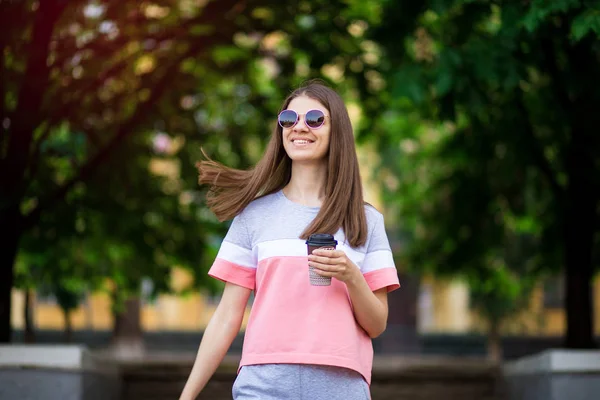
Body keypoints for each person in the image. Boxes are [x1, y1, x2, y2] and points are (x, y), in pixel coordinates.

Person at [179, 80, 400, 400]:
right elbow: (227, 316)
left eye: (314, 119)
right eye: (288, 119)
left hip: (340, 388)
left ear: (337, 131)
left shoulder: (366, 221)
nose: (299, 127)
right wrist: (186, 396)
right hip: (262, 385)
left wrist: (351, 276)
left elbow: (377, 324)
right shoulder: (253, 216)